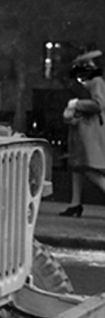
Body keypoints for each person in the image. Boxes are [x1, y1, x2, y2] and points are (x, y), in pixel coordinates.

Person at [60, 50, 105, 217]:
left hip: (91, 130)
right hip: (82, 128)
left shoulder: (96, 81)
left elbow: (99, 104)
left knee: (88, 168)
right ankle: (75, 204)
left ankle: (75, 204)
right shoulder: (87, 82)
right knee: (77, 166)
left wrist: (77, 104)